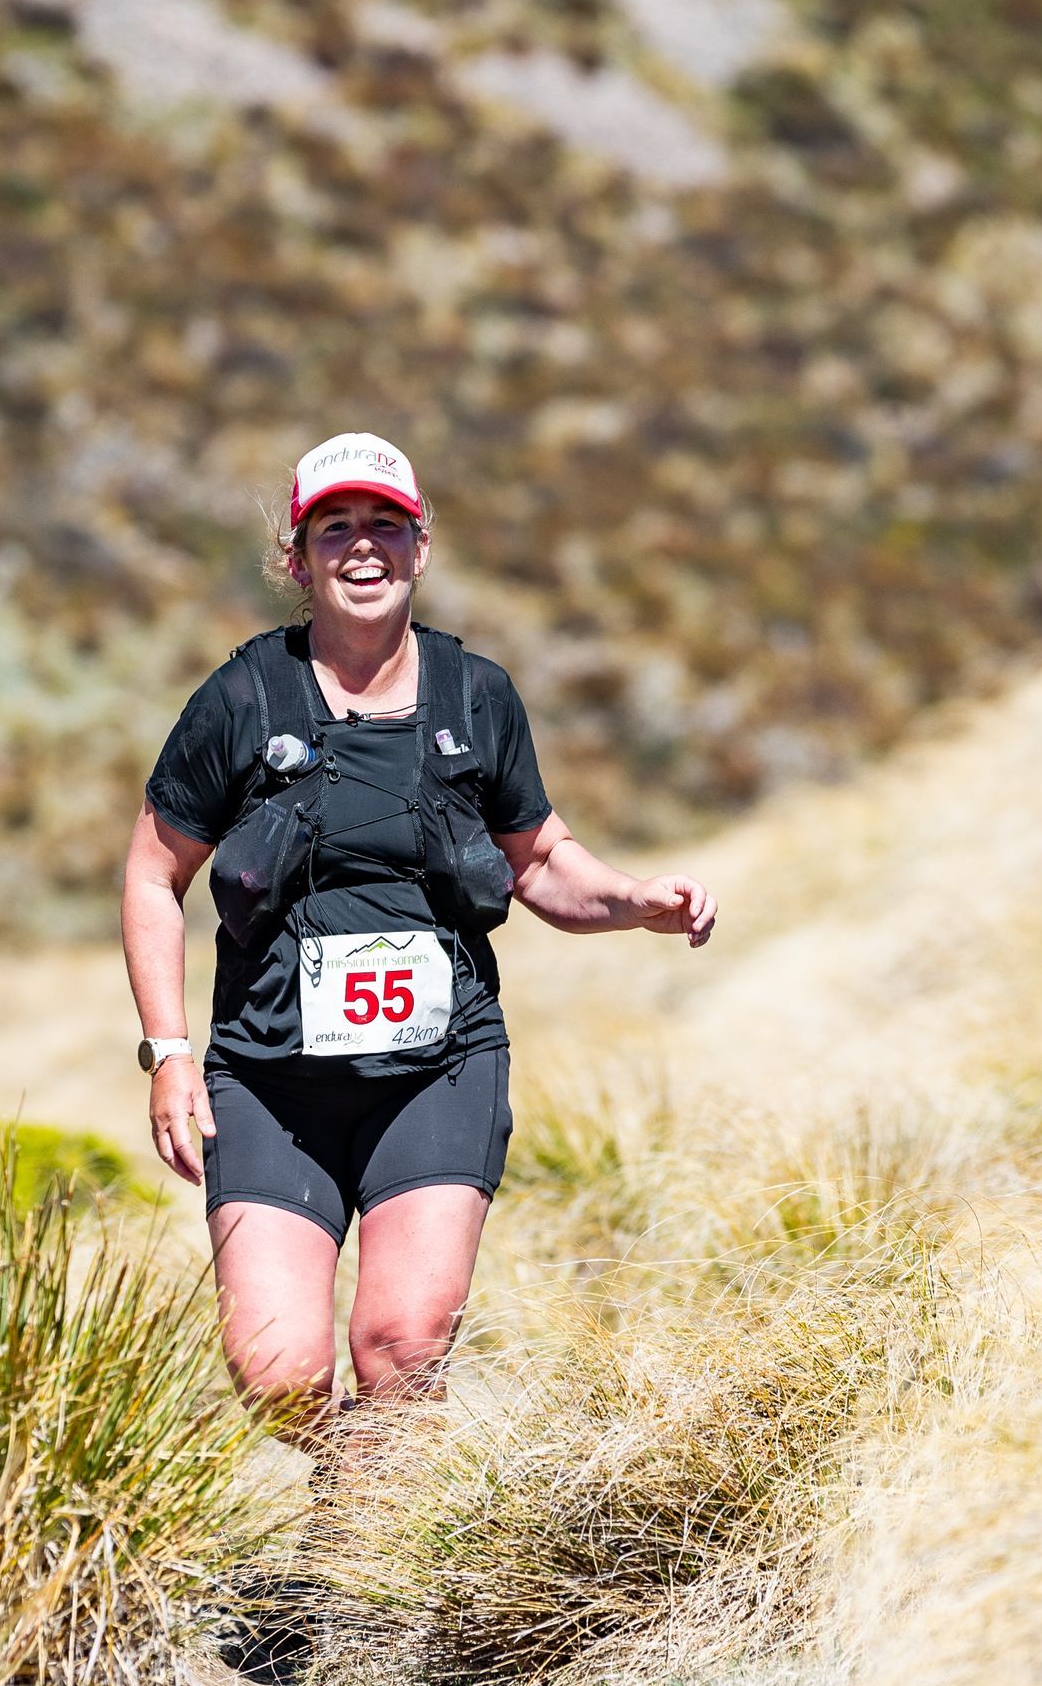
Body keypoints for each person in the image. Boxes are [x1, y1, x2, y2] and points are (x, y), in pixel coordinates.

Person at [120, 431, 716, 1474]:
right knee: (276, 1371)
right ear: (297, 558)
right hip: (270, 1083)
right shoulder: (242, 699)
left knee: (401, 1347)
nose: (363, 547)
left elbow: (540, 862)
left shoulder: (476, 696)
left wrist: (634, 901)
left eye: (385, 525)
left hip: (438, 1071)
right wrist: (170, 1053)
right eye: (335, 528)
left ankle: (371, 1536)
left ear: (421, 546)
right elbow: (150, 877)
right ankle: (356, 1479)